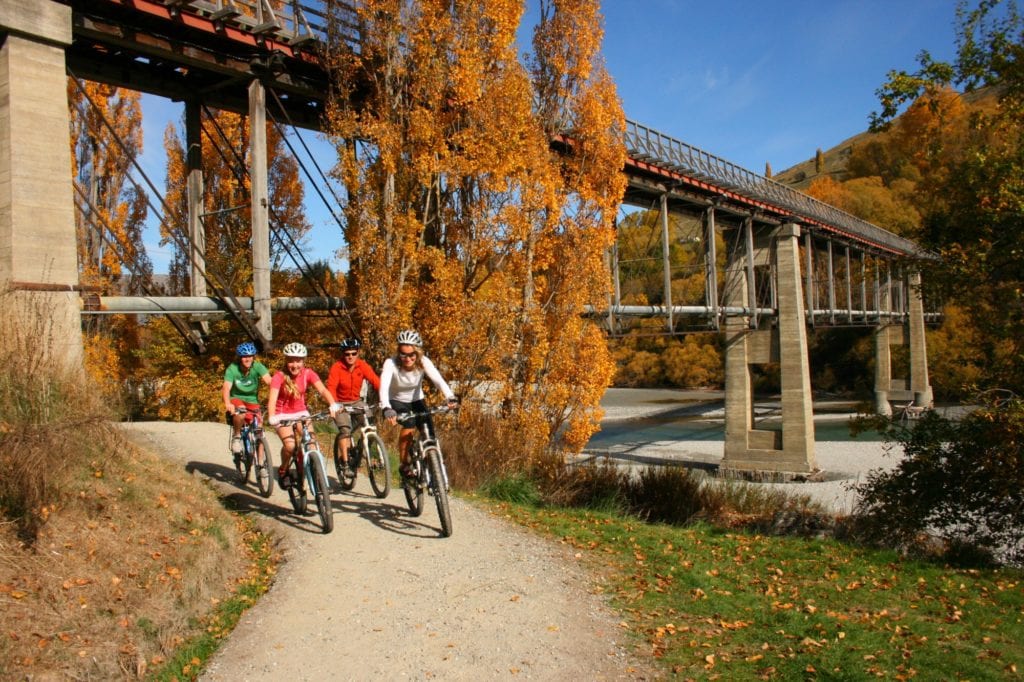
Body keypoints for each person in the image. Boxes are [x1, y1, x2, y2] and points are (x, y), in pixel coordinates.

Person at [380, 330, 459, 479]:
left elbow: (438, 379)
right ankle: (404, 464)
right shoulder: (391, 363)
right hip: (397, 401)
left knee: (428, 431)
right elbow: (383, 386)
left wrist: (450, 396)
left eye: (411, 355)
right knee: (409, 424)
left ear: (417, 353)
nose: (407, 358)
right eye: (403, 354)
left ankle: (432, 467)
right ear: (399, 352)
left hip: (417, 400)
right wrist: (386, 407)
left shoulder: (423, 362)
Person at [266, 342, 340, 487]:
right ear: (286, 361)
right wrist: (271, 416)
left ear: (303, 361)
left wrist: (332, 403)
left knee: (311, 443)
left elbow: (323, 390)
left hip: (301, 413)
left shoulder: (308, 374)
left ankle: (314, 470)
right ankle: (283, 470)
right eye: (291, 360)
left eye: (298, 360)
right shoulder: (279, 377)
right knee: (290, 446)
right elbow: (272, 399)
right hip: (282, 415)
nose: (295, 365)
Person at [326, 337, 381, 476]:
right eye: (347, 354)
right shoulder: (337, 367)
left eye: (353, 353)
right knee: (345, 430)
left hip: (356, 401)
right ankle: (345, 464)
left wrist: (386, 398)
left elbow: (375, 381)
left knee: (370, 423)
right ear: (343, 354)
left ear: (358, 353)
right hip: (340, 403)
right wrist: (333, 404)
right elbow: (331, 387)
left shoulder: (362, 365)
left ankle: (363, 450)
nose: (350, 356)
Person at [221, 341, 272, 456]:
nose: (247, 359)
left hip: (253, 401)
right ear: (239, 358)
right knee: (241, 410)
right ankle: (237, 437)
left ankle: (262, 465)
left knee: (260, 432)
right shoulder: (232, 369)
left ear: (253, 357)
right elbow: (226, 388)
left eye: (250, 356)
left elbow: (269, 381)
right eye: (244, 356)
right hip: (236, 398)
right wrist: (227, 403)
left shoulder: (257, 366)